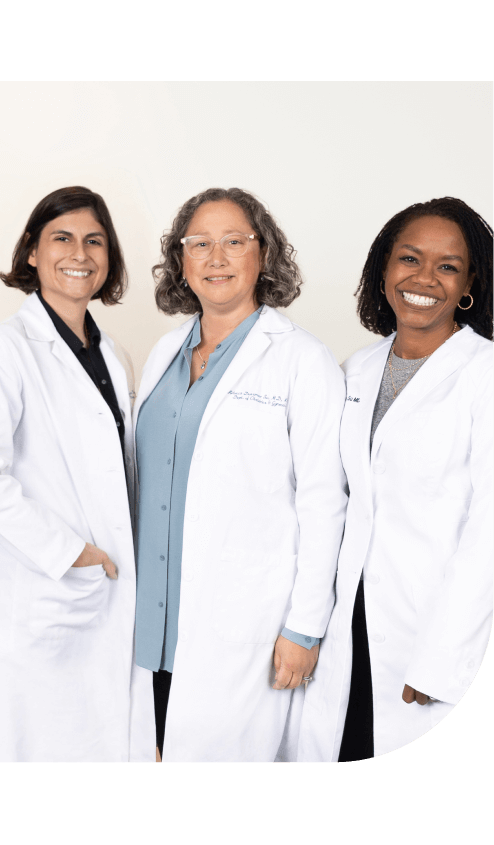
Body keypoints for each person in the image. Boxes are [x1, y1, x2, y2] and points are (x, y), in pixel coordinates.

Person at [0, 186, 155, 762]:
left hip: (102, 597)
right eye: (62, 238)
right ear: (32, 252)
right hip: (40, 594)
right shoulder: (2, 350)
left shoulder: (112, 355)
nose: (79, 253)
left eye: (95, 241)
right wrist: (70, 553)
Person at [135, 187, 348, 762]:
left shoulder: (302, 360)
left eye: (234, 241)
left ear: (264, 254)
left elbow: (324, 502)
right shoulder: (163, 354)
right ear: (181, 261)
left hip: (244, 625)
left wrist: (304, 627)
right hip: (150, 623)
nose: (216, 258)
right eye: (199, 243)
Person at [298, 197, 493, 762]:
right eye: (409, 258)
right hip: (347, 627)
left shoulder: (484, 375)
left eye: (447, 266)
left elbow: (488, 531)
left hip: (431, 632)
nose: (424, 278)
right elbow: (328, 497)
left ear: (468, 284)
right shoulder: (355, 369)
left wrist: (443, 656)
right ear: (383, 269)